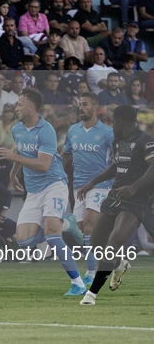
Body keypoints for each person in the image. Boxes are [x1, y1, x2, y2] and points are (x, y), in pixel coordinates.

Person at [0, 88, 87, 296]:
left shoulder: (46, 130)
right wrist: (13, 174)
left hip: (54, 184)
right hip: (34, 191)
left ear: (31, 107)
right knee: (24, 241)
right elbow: (21, 150)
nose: (16, 108)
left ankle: (78, 284)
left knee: (52, 236)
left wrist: (12, 158)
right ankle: (67, 223)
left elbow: (44, 165)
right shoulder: (17, 128)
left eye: (19, 104)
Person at [79, 105, 154, 305]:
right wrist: (93, 182)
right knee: (95, 246)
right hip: (114, 197)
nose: (111, 126)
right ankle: (118, 264)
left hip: (137, 200)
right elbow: (116, 165)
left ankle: (92, 294)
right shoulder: (118, 141)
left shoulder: (145, 141)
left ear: (120, 122)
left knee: (115, 240)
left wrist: (135, 187)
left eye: (113, 122)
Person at [62, 92, 115, 286]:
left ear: (95, 108)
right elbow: (65, 155)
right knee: (81, 231)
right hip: (79, 188)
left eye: (84, 104)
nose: (80, 108)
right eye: (79, 104)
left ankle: (91, 274)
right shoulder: (73, 131)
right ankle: (115, 263)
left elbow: (118, 159)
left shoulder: (108, 132)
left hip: (101, 186)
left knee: (90, 227)